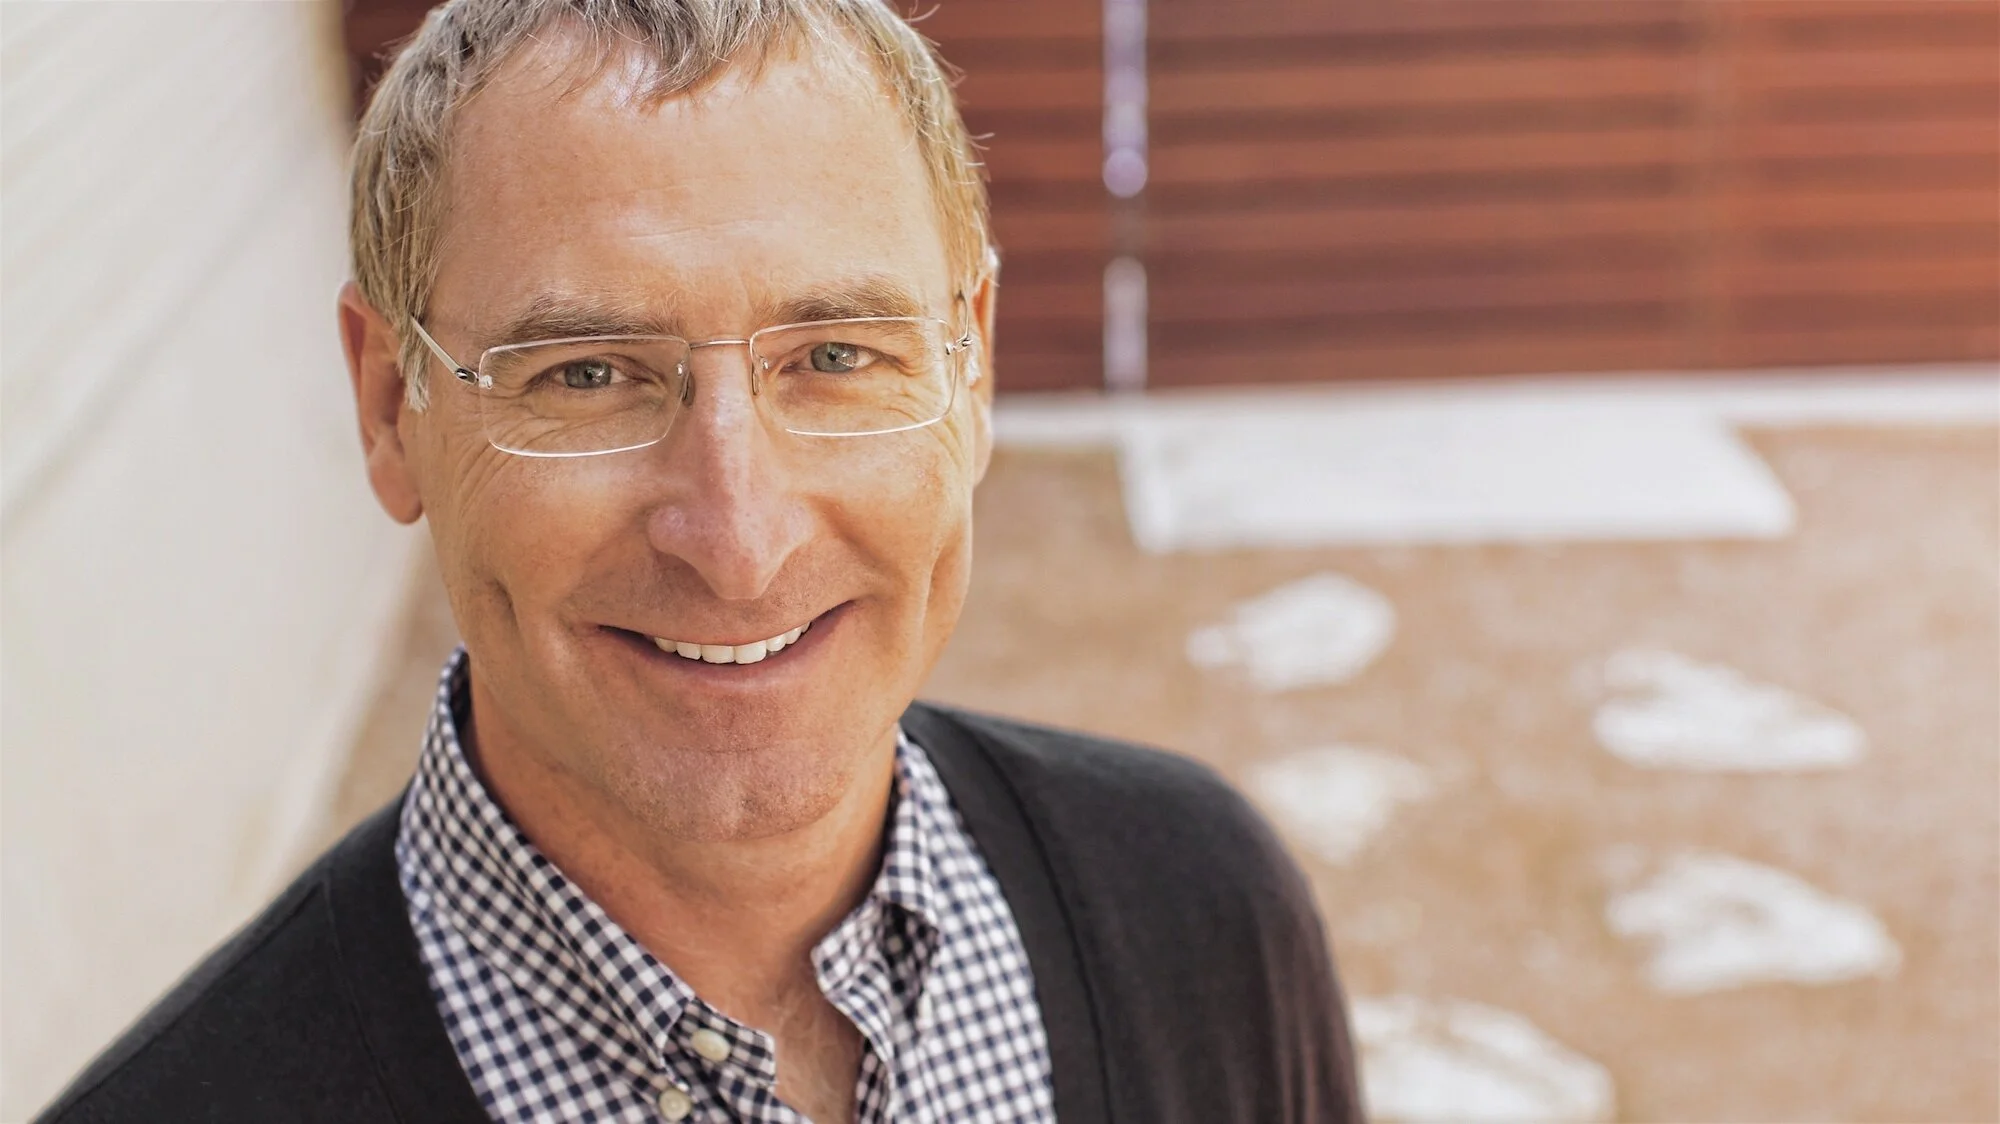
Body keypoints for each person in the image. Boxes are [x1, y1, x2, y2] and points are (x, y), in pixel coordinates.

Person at [35, 1, 1361, 1120]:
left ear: (973, 371)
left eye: (837, 357)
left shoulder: (1201, 912)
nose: (738, 538)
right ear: (391, 408)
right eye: (589, 374)